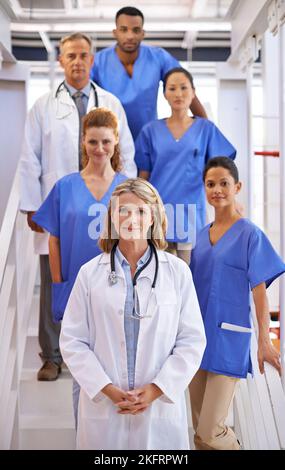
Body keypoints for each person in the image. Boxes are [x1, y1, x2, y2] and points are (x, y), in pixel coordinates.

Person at [19, 32, 136, 382]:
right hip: (61, 205)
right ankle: (52, 356)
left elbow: (125, 153)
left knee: (104, 278)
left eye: (84, 54)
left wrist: (126, 200)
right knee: (55, 278)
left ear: (92, 59)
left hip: (104, 204)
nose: (78, 61)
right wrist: (31, 206)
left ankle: (101, 354)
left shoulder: (111, 102)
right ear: (61, 60)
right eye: (71, 55)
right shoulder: (42, 107)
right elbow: (30, 158)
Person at [60, 178, 206, 450]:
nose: (132, 219)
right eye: (123, 210)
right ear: (112, 217)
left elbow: (192, 341)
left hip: (158, 410)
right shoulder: (90, 274)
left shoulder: (177, 273)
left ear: (153, 217)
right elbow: (72, 341)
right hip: (105, 407)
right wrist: (108, 389)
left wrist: (156, 390)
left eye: (140, 211)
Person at [33, 107, 128, 422]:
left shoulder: (127, 189)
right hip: (75, 290)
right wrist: (59, 286)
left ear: (115, 143)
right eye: (92, 142)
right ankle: (85, 440)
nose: (99, 149)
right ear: (83, 144)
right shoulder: (66, 186)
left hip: (119, 291)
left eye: (105, 142)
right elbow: (54, 240)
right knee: (82, 374)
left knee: (119, 369)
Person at [189, 157, 285, 450]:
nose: (217, 189)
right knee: (198, 433)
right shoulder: (200, 237)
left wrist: (265, 341)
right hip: (197, 340)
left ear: (237, 186)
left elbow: (259, 294)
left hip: (229, 339)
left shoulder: (249, 234)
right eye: (210, 184)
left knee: (211, 431)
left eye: (223, 183)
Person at [135, 67, 236, 265]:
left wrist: (232, 203)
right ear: (164, 94)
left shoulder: (205, 129)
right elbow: (143, 177)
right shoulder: (150, 131)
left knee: (190, 278)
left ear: (193, 92)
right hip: (158, 212)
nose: (178, 94)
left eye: (184, 88)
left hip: (191, 214)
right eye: (172, 88)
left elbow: (222, 170)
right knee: (157, 275)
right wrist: (136, 210)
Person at [90, 6, 207, 140]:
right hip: (108, 139)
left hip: (148, 139)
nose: (130, 36)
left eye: (136, 30)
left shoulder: (158, 57)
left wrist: (207, 129)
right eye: (123, 30)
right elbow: (83, 96)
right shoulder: (98, 62)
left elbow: (186, 89)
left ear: (143, 33)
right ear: (115, 33)